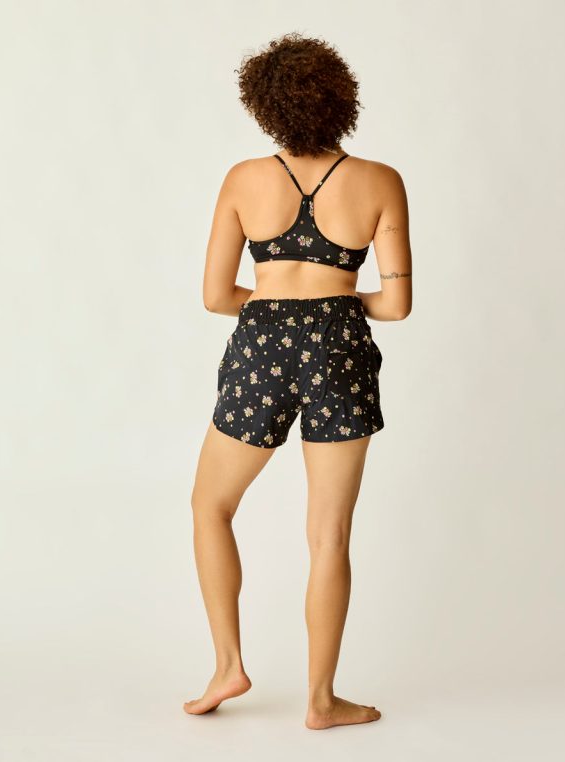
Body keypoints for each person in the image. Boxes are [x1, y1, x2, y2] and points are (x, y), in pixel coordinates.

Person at [184, 32, 412, 730]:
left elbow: (216, 296)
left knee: (210, 506)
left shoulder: (244, 179)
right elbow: (396, 305)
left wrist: (278, 304)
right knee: (330, 534)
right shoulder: (380, 181)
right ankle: (320, 700)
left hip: (262, 346)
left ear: (265, 105)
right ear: (341, 98)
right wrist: (334, 304)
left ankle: (228, 665)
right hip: (341, 348)